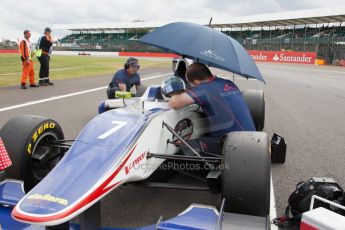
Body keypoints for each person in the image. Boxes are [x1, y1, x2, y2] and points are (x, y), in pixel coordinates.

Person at [166, 62, 255, 154]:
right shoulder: (228, 83)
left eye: (191, 84)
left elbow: (174, 103)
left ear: (196, 82)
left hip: (234, 145)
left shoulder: (203, 89)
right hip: (254, 139)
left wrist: (181, 92)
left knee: (183, 147)